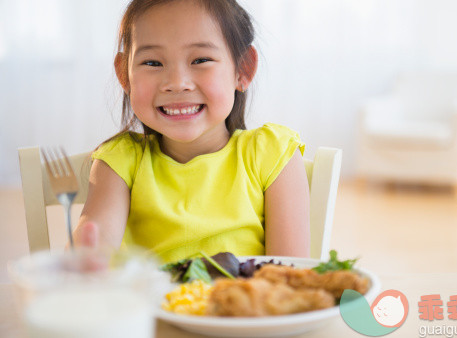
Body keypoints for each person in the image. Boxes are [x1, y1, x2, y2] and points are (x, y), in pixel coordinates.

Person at [73, 0, 310, 262]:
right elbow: (95, 248)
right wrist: (87, 259)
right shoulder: (119, 160)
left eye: (200, 60)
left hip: (249, 303)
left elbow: (289, 274)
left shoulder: (273, 154)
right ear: (124, 75)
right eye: (152, 63)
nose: (177, 83)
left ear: (243, 69)